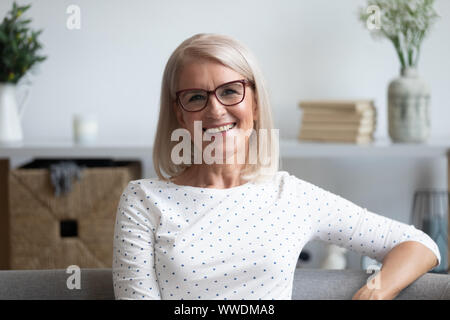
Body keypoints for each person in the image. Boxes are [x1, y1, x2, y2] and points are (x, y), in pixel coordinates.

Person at [112, 33, 440, 300]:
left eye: (230, 91)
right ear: (180, 114)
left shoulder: (290, 196)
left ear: (254, 103)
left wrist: (373, 293)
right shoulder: (143, 200)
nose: (215, 110)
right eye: (196, 97)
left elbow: (420, 245)